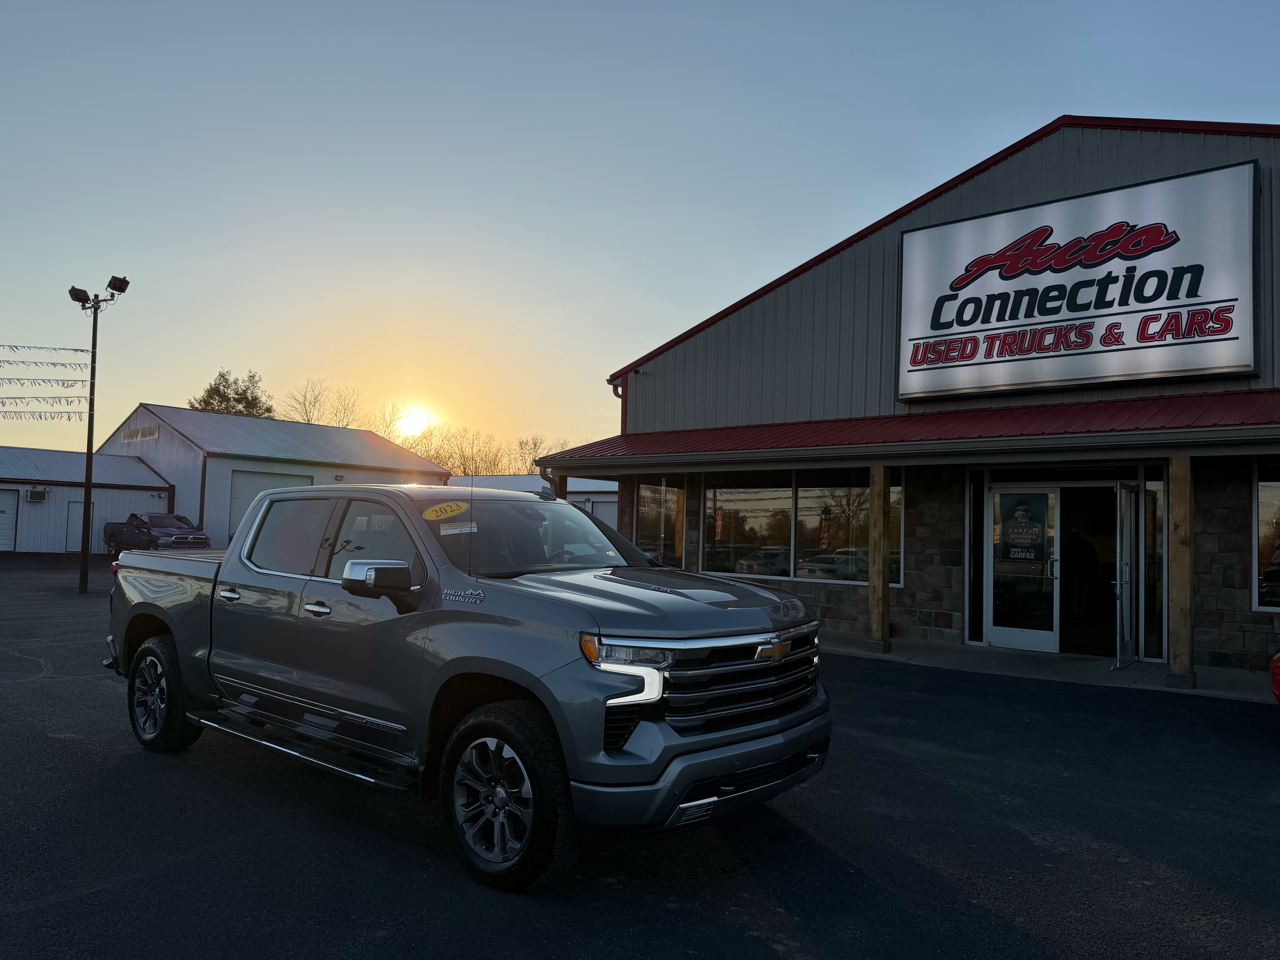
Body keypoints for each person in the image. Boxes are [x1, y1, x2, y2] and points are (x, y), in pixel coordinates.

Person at [1061, 529, 1099, 620]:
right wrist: (1094, 573)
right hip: (1083, 574)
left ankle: (1076, 614)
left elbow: (1063, 562)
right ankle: (1081, 614)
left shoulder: (1067, 547)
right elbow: (1094, 560)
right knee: (1082, 596)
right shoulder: (1087, 546)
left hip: (1074, 575)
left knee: (1074, 596)